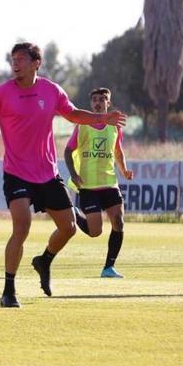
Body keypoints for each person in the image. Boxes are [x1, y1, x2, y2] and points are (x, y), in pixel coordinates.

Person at [0, 43, 126, 307]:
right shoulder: (0, 93)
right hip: (16, 173)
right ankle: (8, 290)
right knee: (22, 227)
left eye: (20, 59)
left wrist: (103, 118)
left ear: (36, 63)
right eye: (12, 59)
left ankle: (44, 260)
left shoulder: (51, 90)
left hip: (48, 173)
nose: (15, 63)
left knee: (69, 228)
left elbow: (74, 114)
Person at [64, 87, 134, 278]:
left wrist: (124, 170)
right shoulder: (82, 125)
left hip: (110, 183)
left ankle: (108, 268)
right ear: (91, 104)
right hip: (88, 186)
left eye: (102, 99)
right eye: (94, 99)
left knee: (118, 222)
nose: (98, 102)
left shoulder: (115, 127)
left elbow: (118, 151)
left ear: (108, 103)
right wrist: (73, 174)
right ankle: (74, 214)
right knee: (95, 232)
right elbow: (68, 151)